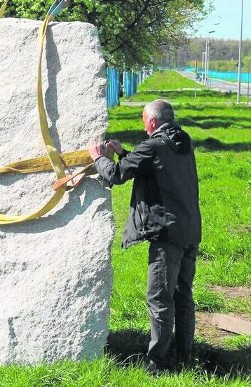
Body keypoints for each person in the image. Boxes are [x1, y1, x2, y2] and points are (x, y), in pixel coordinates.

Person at [88, 99, 202, 374]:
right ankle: (185, 353)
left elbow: (117, 174)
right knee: (183, 295)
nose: (143, 125)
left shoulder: (153, 145)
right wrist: (125, 151)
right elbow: (152, 167)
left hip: (167, 235)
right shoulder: (182, 142)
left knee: (159, 299)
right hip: (189, 230)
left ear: (151, 122)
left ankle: (157, 363)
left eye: (143, 120)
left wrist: (98, 158)